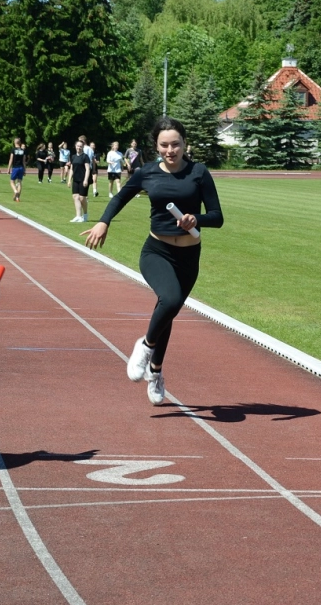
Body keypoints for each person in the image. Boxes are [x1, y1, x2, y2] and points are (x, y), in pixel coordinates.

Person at [81, 117, 223, 405]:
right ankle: (144, 347)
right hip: (156, 252)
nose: (170, 150)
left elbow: (217, 217)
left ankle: (155, 372)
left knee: (167, 309)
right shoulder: (146, 173)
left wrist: (197, 218)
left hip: (188, 255)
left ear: (185, 144)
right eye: (164, 145)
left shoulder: (199, 172)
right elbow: (120, 197)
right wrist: (103, 222)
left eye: (175, 144)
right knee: (169, 300)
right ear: (156, 146)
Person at [67, 140, 91, 223]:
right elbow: (72, 169)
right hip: (76, 179)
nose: (79, 148)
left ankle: (85, 214)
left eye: (80, 146)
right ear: (75, 146)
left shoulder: (85, 157)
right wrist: (69, 180)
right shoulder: (73, 157)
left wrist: (86, 179)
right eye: (78, 146)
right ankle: (78, 216)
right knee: (75, 197)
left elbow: (87, 169)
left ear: (83, 147)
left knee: (82, 198)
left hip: (83, 180)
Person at [7, 137, 26, 202]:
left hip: (15, 167)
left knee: (12, 181)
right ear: (20, 143)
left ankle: (15, 191)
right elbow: (24, 161)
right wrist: (24, 170)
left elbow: (11, 159)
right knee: (19, 182)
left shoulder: (13, 150)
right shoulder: (23, 150)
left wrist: (8, 168)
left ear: (14, 142)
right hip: (21, 167)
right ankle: (17, 198)